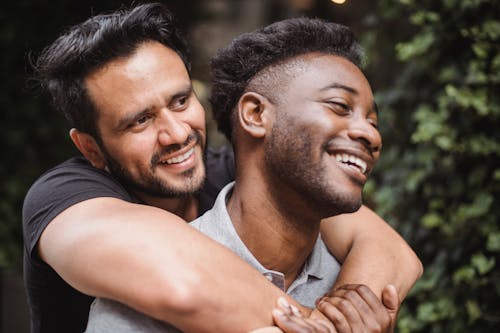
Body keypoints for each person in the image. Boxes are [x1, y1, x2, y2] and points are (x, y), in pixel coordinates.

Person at [22, 3, 422, 333]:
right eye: (140, 121)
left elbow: (385, 248)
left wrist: (354, 315)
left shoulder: (236, 171)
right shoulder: (65, 196)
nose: (177, 134)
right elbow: (185, 283)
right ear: (91, 147)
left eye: (180, 101)